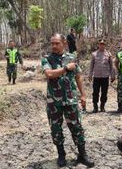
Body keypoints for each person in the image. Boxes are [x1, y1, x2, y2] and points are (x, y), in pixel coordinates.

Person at [41, 33, 94, 168]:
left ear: (64, 43)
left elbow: (78, 76)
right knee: (56, 129)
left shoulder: (72, 57)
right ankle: (61, 155)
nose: (54, 46)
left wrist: (83, 95)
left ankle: (82, 155)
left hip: (71, 100)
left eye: (57, 43)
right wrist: (65, 68)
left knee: (77, 127)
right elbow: (49, 74)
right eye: (52, 43)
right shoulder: (47, 59)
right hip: (54, 102)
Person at [88, 39, 115, 113]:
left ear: (105, 45)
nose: (102, 45)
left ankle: (102, 106)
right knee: (95, 92)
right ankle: (95, 106)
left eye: (103, 44)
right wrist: (90, 75)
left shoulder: (108, 54)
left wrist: (112, 75)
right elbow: (91, 65)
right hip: (96, 76)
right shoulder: (94, 54)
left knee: (104, 92)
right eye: (100, 44)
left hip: (105, 77)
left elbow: (111, 66)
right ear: (98, 45)